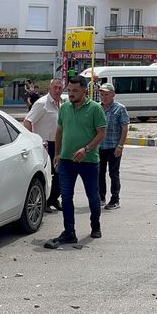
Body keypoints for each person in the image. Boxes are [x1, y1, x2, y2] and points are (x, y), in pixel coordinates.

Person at [45, 75, 107, 249]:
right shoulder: (64, 108)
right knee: (66, 197)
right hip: (66, 160)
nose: (70, 94)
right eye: (69, 90)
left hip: (88, 161)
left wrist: (86, 149)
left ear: (84, 91)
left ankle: (95, 225)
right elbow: (59, 131)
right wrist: (57, 152)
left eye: (75, 91)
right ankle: (69, 232)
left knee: (92, 196)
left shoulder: (95, 109)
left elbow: (101, 133)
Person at [23, 78, 64, 213]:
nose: (57, 90)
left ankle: (53, 199)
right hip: (45, 145)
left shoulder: (62, 103)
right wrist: (33, 141)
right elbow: (28, 121)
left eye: (60, 88)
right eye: (55, 88)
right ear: (49, 89)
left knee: (60, 174)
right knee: (47, 174)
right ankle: (45, 201)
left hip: (59, 144)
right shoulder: (42, 103)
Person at [98, 83, 129, 210]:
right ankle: (101, 197)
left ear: (113, 95)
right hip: (99, 147)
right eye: (102, 94)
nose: (104, 97)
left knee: (113, 173)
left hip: (113, 146)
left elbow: (125, 128)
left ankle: (115, 199)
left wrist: (120, 146)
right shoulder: (97, 108)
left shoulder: (119, 108)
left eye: (106, 94)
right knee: (99, 173)